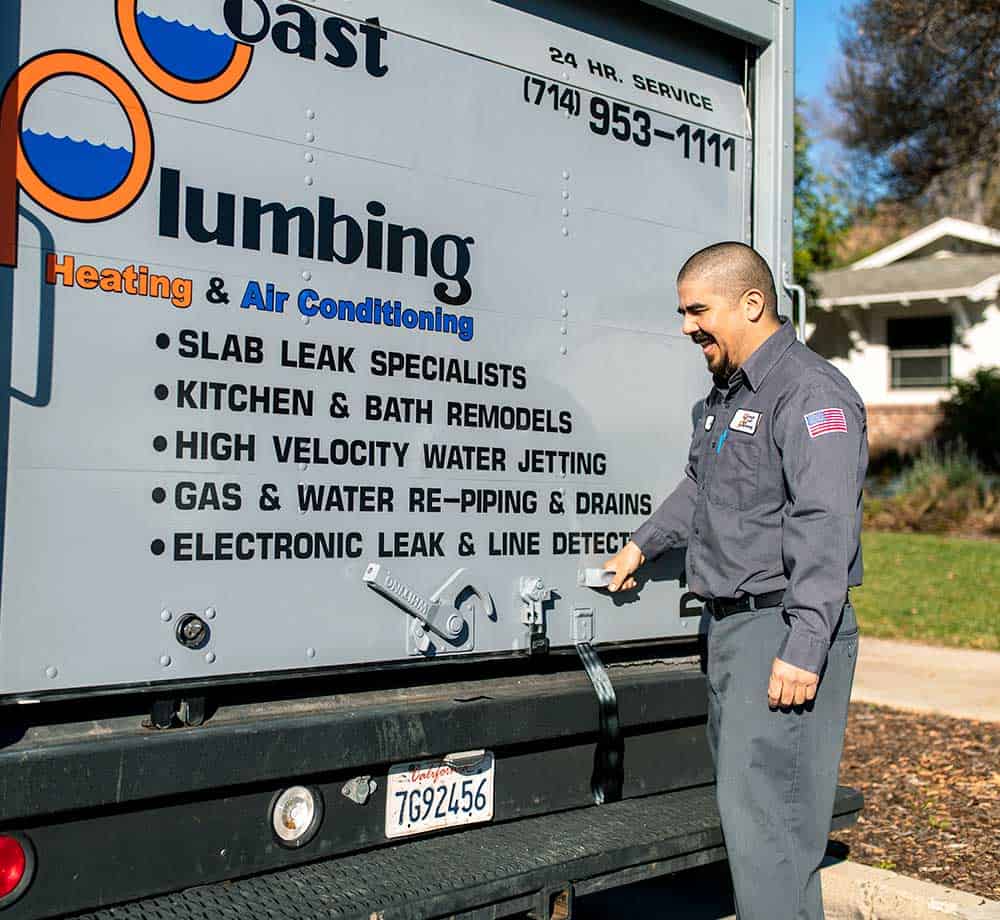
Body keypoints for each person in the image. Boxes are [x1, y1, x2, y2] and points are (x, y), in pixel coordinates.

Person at [603, 241, 866, 920]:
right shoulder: (728, 396)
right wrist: (643, 543)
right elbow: (703, 487)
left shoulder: (811, 393)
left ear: (752, 303)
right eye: (683, 311)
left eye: (697, 309)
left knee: (771, 830)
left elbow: (825, 521)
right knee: (754, 823)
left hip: (780, 632)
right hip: (730, 630)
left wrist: (805, 645)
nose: (687, 326)